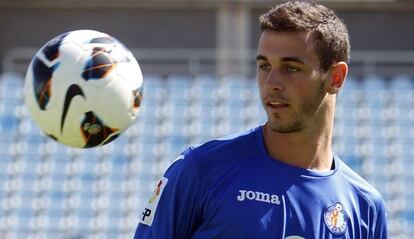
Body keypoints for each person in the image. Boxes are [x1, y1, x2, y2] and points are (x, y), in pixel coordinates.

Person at [133, 1, 388, 238]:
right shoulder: (201, 169)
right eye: (264, 66)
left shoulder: (366, 207)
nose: (271, 83)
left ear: (335, 78)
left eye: (291, 68)